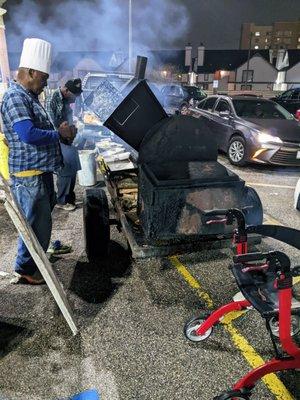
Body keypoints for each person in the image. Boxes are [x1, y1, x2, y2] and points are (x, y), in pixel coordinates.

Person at [1, 38, 76, 284]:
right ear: (30, 72)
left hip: (39, 171)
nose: (45, 84)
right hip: (28, 175)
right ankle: (26, 269)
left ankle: (34, 261)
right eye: (43, 78)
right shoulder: (15, 97)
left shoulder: (30, 96)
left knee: (39, 223)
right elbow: (27, 134)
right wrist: (59, 134)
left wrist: (61, 133)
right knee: (34, 225)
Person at [46, 79, 82, 211]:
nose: (75, 99)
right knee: (66, 167)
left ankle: (69, 197)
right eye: (74, 96)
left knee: (73, 164)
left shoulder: (67, 99)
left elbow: (68, 116)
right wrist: (63, 132)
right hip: (56, 138)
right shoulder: (53, 98)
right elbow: (50, 122)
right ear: (66, 91)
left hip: (66, 137)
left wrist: (73, 130)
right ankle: (62, 200)